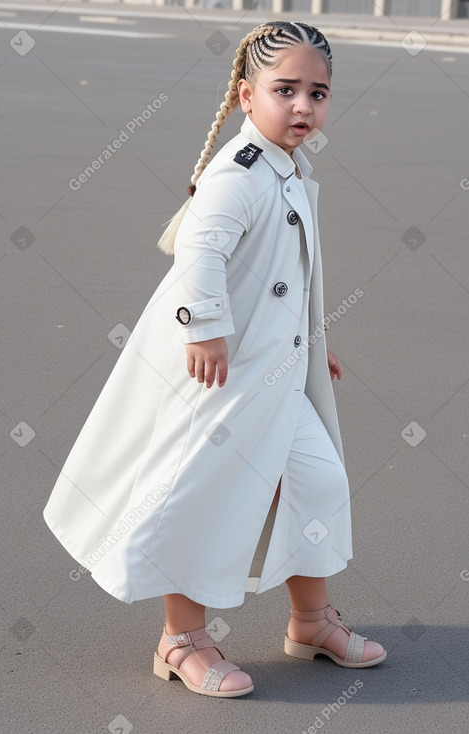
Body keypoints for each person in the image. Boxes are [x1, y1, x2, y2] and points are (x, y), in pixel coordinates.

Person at [43, 21, 387, 698]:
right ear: (244, 94)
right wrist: (201, 330)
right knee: (194, 495)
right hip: (220, 375)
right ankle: (181, 639)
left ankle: (311, 621)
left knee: (314, 483)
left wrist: (316, 344)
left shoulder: (290, 169)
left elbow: (287, 275)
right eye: (283, 89)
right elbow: (200, 251)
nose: (302, 107)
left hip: (278, 376)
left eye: (316, 93)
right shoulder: (240, 172)